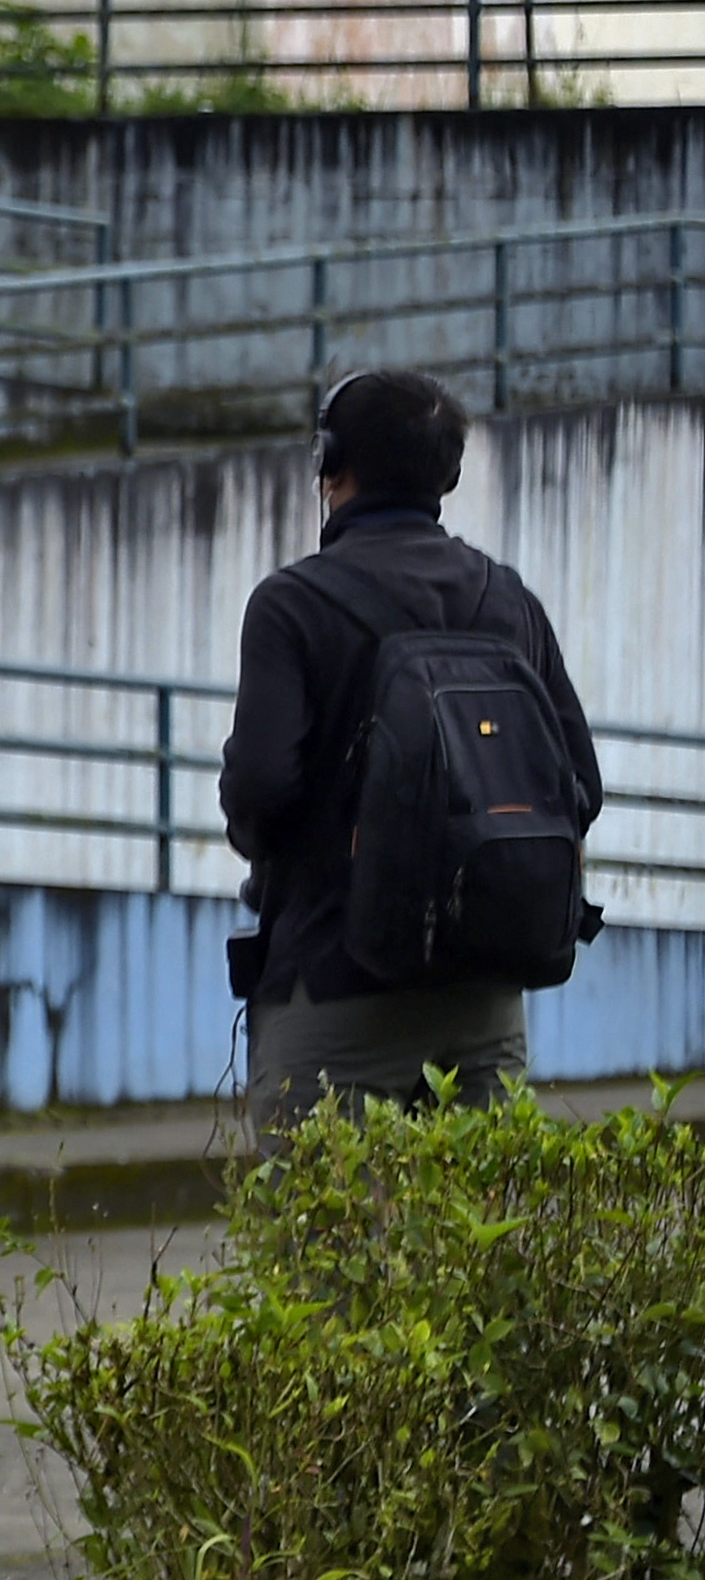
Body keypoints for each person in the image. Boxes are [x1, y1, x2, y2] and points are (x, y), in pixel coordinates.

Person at [217, 368, 600, 1131]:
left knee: (325, 1244)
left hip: (331, 993)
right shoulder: (507, 600)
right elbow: (578, 786)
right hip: (483, 1000)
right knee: (476, 1245)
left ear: (329, 464)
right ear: (447, 473)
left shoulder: (291, 604)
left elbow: (258, 788)